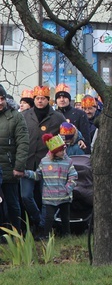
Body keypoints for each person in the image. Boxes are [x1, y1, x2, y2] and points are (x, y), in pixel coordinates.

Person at [22, 85, 66, 232]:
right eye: (37, 98)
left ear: (48, 100)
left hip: (48, 164)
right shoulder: (25, 115)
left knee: (45, 198)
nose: (40, 101)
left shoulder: (57, 117)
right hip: (27, 161)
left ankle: (43, 228)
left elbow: (65, 137)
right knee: (26, 196)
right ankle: (39, 221)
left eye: (43, 98)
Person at [24, 134, 77, 239]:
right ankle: (46, 235)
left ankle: (67, 234)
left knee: (65, 217)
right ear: (54, 152)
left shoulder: (68, 161)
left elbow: (73, 176)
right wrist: (26, 174)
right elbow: (38, 175)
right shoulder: (44, 162)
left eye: (64, 149)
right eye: (61, 150)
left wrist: (67, 189)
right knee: (49, 218)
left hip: (64, 196)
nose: (63, 152)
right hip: (49, 197)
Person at [0, 84, 30, 231]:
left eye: (1, 98)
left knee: (12, 204)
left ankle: (16, 233)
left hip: (9, 169)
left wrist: (19, 166)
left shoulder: (16, 117)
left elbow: (23, 143)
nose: (0, 102)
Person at [54, 83, 92, 150]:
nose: (62, 100)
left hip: (76, 152)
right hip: (57, 153)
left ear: (69, 99)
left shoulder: (80, 114)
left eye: (64, 97)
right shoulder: (52, 115)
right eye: (59, 98)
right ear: (56, 101)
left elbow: (86, 136)